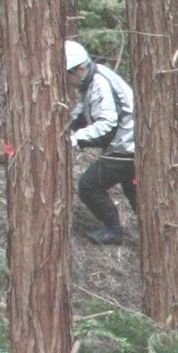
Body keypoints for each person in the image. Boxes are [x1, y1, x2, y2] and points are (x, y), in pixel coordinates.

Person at [64, 40, 136, 246]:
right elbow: (85, 109)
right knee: (134, 192)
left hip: (125, 147)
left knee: (89, 185)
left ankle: (113, 230)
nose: (66, 80)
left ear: (79, 69)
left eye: (67, 74)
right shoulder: (94, 77)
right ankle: (156, 232)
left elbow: (107, 126)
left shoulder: (100, 84)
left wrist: (76, 139)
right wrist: (69, 124)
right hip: (130, 144)